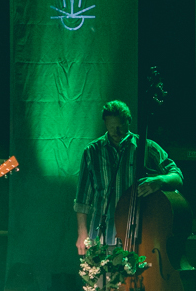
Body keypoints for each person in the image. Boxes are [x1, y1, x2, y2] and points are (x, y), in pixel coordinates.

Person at [74, 100, 183, 255]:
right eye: (111, 127)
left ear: (128, 121)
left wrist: (159, 181)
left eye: (119, 126)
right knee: (101, 279)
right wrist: (82, 232)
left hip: (141, 236)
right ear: (105, 123)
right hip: (103, 237)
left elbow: (177, 176)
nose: (116, 132)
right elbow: (82, 200)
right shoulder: (92, 152)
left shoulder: (146, 147)